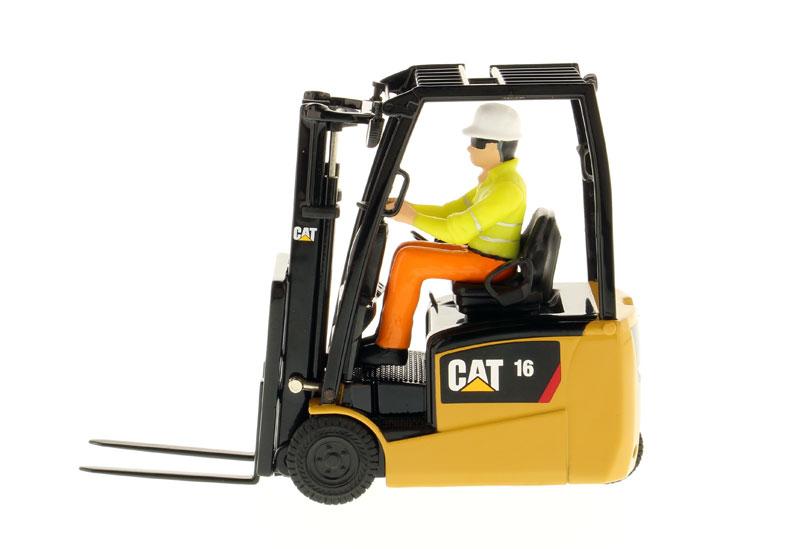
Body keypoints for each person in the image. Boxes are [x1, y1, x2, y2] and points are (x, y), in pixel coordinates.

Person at [360, 103, 527, 366]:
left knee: (411, 261)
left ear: (496, 146)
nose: (469, 148)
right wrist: (407, 207)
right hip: (484, 257)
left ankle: (392, 346)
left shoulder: (506, 188)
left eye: (476, 142)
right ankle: (386, 337)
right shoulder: (495, 181)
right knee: (406, 250)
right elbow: (450, 211)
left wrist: (410, 217)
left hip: (492, 266)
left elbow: (457, 231)